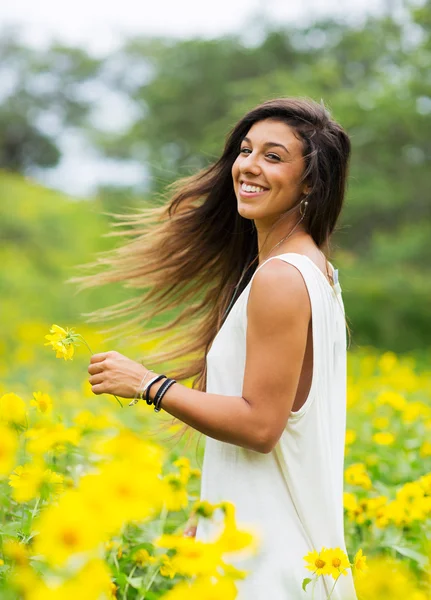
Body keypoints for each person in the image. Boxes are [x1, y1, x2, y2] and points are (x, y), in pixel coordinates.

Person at [86, 98, 357, 599]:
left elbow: (261, 425)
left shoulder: (281, 278)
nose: (249, 165)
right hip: (264, 553)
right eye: (246, 150)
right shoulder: (312, 269)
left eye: (274, 157)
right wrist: (214, 505)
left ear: (312, 182)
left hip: (269, 570)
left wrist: (149, 385)